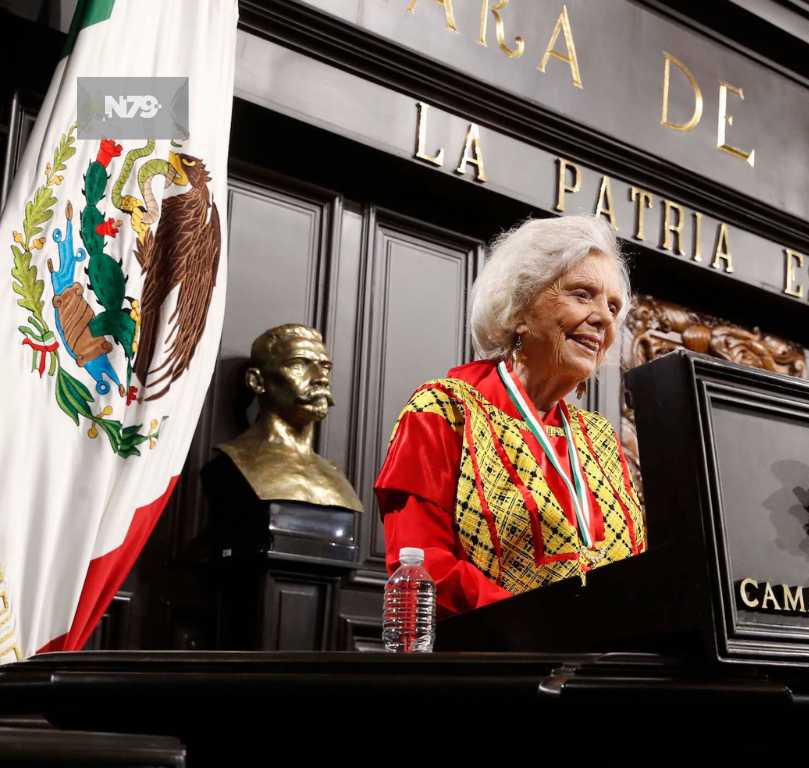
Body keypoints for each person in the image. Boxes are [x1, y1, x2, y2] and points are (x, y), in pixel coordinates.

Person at [374, 216, 646, 616]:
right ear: (518, 306)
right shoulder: (444, 411)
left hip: (602, 667)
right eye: (583, 294)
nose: (605, 318)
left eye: (613, 306)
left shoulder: (601, 440)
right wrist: (538, 626)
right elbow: (422, 564)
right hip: (490, 665)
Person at [216, 324, 362, 512]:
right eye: (298, 364)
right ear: (257, 381)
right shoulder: (233, 463)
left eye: (325, 367)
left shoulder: (336, 476)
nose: (321, 378)